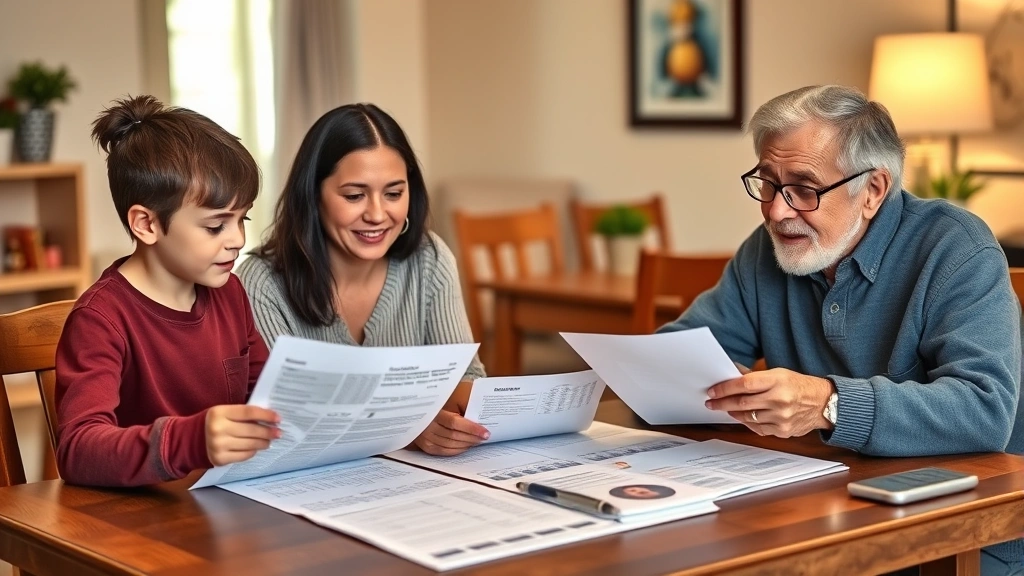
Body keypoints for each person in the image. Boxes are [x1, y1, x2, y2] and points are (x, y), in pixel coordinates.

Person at [660, 85, 1022, 572]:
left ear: (872, 190)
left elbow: (984, 409)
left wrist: (827, 403)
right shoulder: (764, 251)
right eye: (767, 183)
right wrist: (705, 378)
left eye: (804, 190)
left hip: (967, 528)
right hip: (823, 504)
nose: (775, 211)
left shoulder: (956, 249)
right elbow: (681, 350)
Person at [237, 103, 488, 456]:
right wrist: (409, 428)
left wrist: (460, 415)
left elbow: (466, 378)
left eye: (394, 193)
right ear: (312, 196)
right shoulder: (261, 283)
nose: (376, 214)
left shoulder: (428, 258)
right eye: (354, 195)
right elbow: (284, 418)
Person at [56, 95, 279, 487]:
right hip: (141, 525)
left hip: (223, 507)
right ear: (146, 224)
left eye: (241, 219)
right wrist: (190, 441)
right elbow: (78, 449)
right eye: (215, 226)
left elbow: (269, 394)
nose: (237, 240)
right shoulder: (101, 318)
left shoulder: (229, 293)